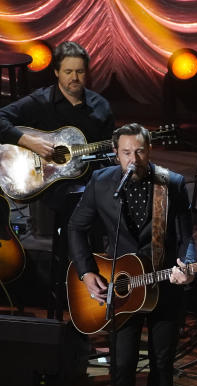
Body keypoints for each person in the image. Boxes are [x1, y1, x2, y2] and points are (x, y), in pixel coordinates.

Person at [67, 123, 195, 386]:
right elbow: (76, 228)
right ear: (115, 152)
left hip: (162, 286)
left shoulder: (171, 184)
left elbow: (187, 237)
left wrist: (187, 266)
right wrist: (86, 272)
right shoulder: (103, 183)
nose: (132, 159)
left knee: (162, 367)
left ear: (149, 151)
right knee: (121, 370)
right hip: (119, 291)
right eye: (125, 153)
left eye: (138, 152)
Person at [0, 41, 114, 318]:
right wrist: (29, 141)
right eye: (68, 72)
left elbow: (107, 153)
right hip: (53, 190)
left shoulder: (100, 107)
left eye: (80, 72)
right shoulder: (40, 101)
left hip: (88, 187)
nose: (74, 78)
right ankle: (58, 312)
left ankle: (92, 312)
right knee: (73, 213)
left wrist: (119, 154)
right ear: (56, 72)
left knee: (99, 214)